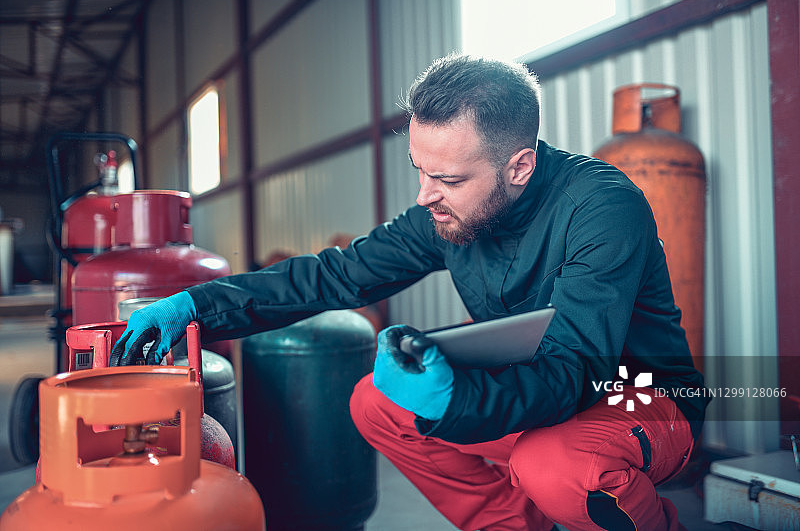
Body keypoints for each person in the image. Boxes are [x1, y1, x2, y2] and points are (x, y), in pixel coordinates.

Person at [111, 54, 709, 531]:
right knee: (377, 402)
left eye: (447, 178)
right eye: (420, 170)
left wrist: (455, 398)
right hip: (540, 400)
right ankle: (510, 526)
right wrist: (199, 305)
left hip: (637, 400)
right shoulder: (448, 211)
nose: (426, 195)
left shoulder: (602, 208)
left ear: (520, 167)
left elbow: (574, 371)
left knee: (552, 465)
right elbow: (335, 275)